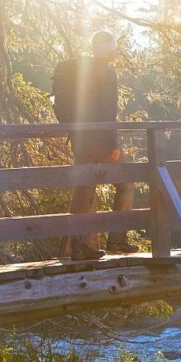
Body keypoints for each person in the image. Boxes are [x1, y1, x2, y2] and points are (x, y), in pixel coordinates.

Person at [52, 30, 135, 259]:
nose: (114, 51)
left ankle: (77, 246)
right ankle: (116, 240)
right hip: (100, 140)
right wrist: (114, 144)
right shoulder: (106, 72)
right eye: (112, 46)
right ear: (103, 47)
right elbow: (109, 111)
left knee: (85, 188)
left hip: (80, 138)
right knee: (127, 181)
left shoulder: (80, 70)